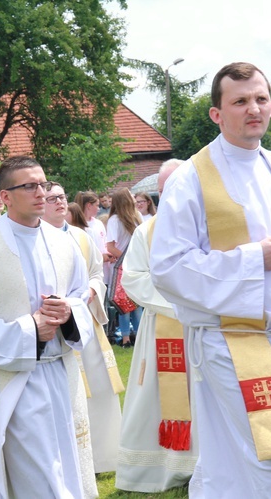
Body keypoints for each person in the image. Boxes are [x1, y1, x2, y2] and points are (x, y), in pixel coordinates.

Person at [150, 62, 271, 498]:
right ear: (217, 113)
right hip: (236, 342)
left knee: (231, 460)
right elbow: (169, 266)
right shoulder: (191, 177)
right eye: (241, 101)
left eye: (261, 99)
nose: (254, 109)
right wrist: (255, 259)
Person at [0, 156, 93, 498]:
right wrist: (30, 329)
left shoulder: (64, 241)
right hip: (17, 379)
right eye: (29, 186)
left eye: (43, 184)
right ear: (5, 197)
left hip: (62, 372)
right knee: (39, 475)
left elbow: (80, 293)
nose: (41, 193)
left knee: (68, 466)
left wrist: (68, 312)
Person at [117, 159, 198, 492]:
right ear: (160, 193)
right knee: (155, 397)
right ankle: (160, 468)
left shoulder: (208, 223)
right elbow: (133, 278)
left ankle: (207, 465)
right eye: (166, 189)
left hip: (204, 328)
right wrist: (183, 303)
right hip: (163, 325)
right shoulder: (146, 230)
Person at [42, 183, 124, 483]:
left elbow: (96, 275)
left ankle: (104, 455)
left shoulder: (81, 236)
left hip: (85, 321)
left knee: (99, 389)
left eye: (62, 197)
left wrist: (90, 291)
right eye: (52, 198)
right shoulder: (35, 238)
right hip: (55, 327)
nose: (59, 203)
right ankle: (68, 461)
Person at [106, 189, 143, 348]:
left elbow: (111, 247)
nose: (134, 197)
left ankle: (135, 337)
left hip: (131, 266)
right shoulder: (117, 219)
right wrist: (129, 258)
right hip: (126, 266)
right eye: (131, 195)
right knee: (128, 303)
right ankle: (130, 337)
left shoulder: (136, 217)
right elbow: (110, 247)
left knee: (132, 304)